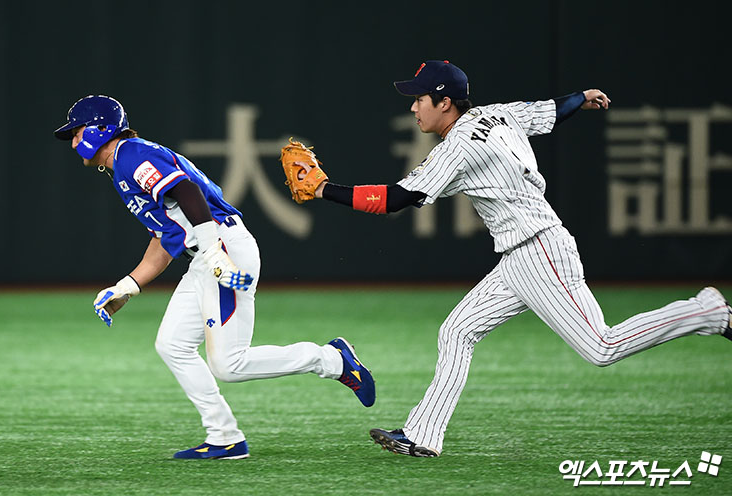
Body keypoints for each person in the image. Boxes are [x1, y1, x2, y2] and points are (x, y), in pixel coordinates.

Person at [295, 60, 732, 457]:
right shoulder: (498, 114)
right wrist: (581, 97)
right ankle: (423, 434)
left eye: (420, 99)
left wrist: (323, 190)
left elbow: (397, 198)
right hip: (521, 256)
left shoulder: (460, 146)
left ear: (445, 103)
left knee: (602, 346)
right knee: (457, 331)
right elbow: (549, 111)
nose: (413, 108)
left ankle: (706, 312)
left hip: (540, 251)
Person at [53, 95, 375, 460]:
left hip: (223, 248)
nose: (74, 142)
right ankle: (224, 436)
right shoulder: (123, 166)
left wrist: (211, 250)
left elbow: (186, 191)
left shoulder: (130, 154)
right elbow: (165, 239)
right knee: (172, 345)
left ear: (99, 130)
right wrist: (128, 286)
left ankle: (331, 360)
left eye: (77, 133)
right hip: (208, 254)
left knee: (229, 365)